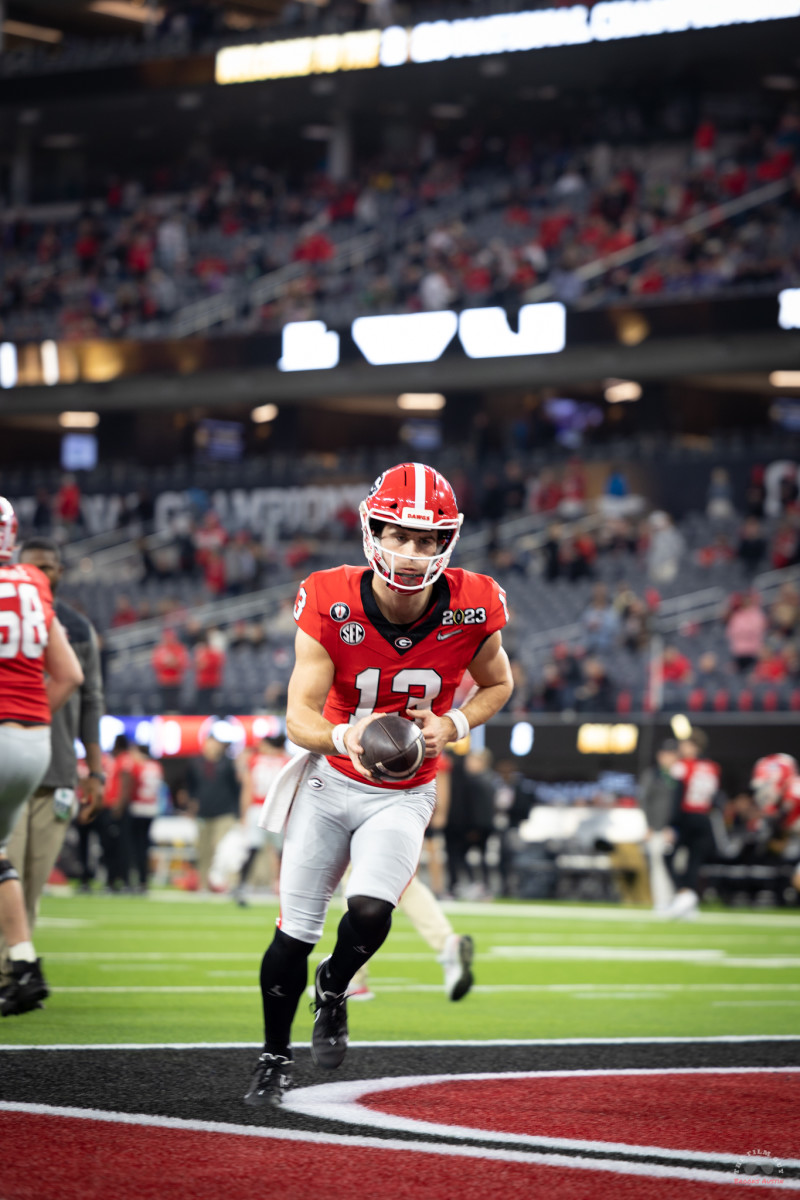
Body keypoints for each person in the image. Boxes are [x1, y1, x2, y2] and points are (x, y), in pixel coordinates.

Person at [244, 463, 513, 1108]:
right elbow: (298, 716)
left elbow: (500, 683)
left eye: (427, 540)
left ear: (446, 542)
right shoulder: (330, 596)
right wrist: (348, 736)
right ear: (373, 531)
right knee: (295, 932)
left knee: (370, 908)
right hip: (331, 782)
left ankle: (333, 989)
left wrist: (453, 721)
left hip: (407, 789)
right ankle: (272, 1059)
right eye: (399, 535)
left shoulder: (475, 602)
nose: (412, 552)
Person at [0, 537, 105, 988]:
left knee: (33, 882)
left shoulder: (78, 628)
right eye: (35, 566)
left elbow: (91, 701)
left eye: (52, 566)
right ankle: (13, 968)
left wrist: (95, 770)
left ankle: (14, 971)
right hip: (28, 760)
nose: (45, 573)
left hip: (59, 772)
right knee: (10, 873)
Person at [662, 729, 721, 920]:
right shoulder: (712, 767)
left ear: (693, 746)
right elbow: (714, 799)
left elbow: (677, 796)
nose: (681, 748)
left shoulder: (683, 766)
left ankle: (684, 895)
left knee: (668, 856)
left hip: (686, 817)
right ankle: (688, 901)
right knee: (693, 863)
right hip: (704, 818)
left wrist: (672, 824)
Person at [181, 729, 246, 892]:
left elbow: (236, 788)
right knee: (203, 850)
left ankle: (229, 884)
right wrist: (191, 805)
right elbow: (190, 786)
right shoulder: (195, 763)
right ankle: (203, 884)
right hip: (203, 812)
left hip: (224, 812)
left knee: (224, 851)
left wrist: (238, 812)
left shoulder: (228, 763)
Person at [232, 732, 288, 907]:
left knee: (252, 850)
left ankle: (241, 885)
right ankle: (283, 886)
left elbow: (248, 788)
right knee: (282, 853)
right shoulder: (287, 761)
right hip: (279, 809)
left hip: (257, 808)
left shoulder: (255, 760)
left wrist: (243, 814)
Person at [637, 738, 681, 911]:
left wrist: (675, 827)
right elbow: (644, 801)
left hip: (676, 830)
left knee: (677, 866)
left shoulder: (678, 777)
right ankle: (662, 902)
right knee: (659, 866)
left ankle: (676, 900)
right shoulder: (652, 775)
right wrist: (649, 826)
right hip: (656, 829)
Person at [128, 742, 165, 893]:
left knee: (135, 847)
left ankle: (138, 879)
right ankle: (144, 880)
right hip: (151, 808)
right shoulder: (156, 766)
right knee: (144, 847)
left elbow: (132, 785)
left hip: (137, 808)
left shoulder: (138, 766)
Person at [151, 626, 190, 713]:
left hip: (176, 681)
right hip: (164, 681)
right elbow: (156, 663)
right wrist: (169, 663)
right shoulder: (160, 649)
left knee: (176, 705)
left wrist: (172, 663)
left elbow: (183, 663)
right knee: (165, 705)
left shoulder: (179, 648)